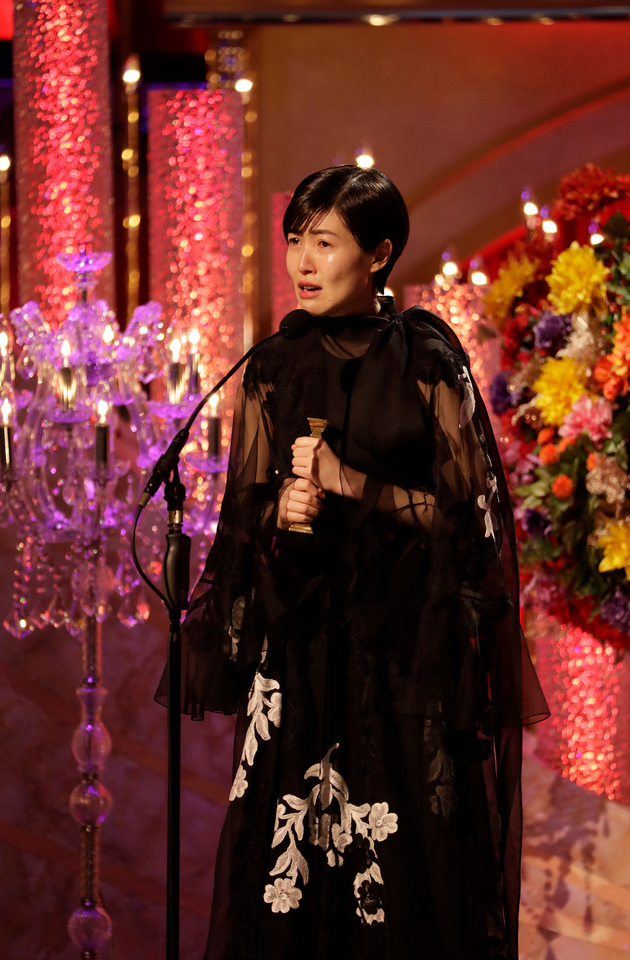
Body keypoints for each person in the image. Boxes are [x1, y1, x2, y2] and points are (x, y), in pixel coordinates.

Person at [171, 165, 548, 960]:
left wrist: (352, 484)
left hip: (402, 654)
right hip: (301, 652)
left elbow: (468, 517)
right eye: (295, 242)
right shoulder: (273, 363)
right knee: (284, 881)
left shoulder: (426, 357)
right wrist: (281, 509)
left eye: (325, 243)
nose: (303, 263)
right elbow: (243, 515)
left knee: (404, 872)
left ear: (377, 255)